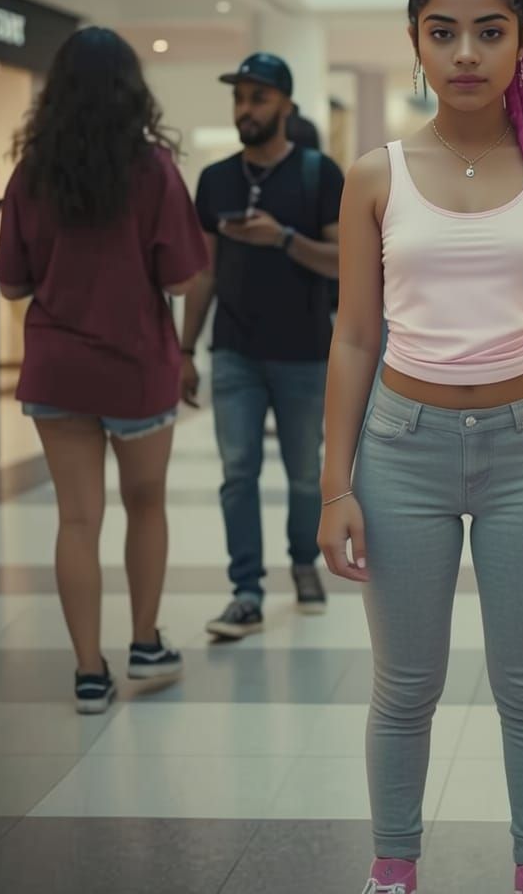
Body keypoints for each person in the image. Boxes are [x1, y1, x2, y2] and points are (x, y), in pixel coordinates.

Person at [317, 0, 523, 894]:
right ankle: (393, 868)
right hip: (401, 449)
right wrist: (334, 487)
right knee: (406, 687)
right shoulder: (377, 175)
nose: (467, 53)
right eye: (443, 33)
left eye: (490, 31)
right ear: (415, 41)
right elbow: (354, 337)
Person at [0, 27, 207, 714]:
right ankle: (145, 642)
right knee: (146, 504)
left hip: (58, 369)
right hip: (135, 365)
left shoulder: (32, 173)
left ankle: (89, 673)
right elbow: (181, 279)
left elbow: (11, 284)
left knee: (76, 521)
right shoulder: (153, 170)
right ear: (130, 90)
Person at [180, 53, 344, 638]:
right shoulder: (216, 179)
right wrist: (184, 351)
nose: (245, 109)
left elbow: (344, 262)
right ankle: (245, 590)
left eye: (258, 97)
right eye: (239, 98)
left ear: (286, 105)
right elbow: (203, 271)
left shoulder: (320, 174)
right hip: (234, 351)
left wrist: (283, 239)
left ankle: (304, 564)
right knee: (237, 473)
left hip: (305, 352)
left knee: (304, 473)